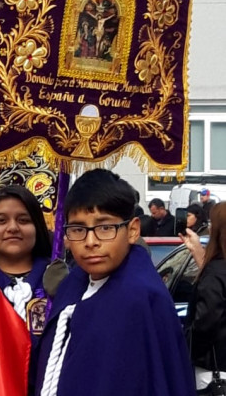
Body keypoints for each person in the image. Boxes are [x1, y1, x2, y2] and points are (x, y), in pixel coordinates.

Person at [31, 169, 196, 396]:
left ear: (133, 230)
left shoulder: (139, 298)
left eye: (105, 227)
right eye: (78, 229)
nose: (91, 242)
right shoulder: (72, 288)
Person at [0, 186, 52, 341]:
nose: (13, 228)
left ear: (38, 227)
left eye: (24, 220)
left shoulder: (61, 282)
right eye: (1, 221)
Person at [180, 202, 226, 393]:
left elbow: (205, 323)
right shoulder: (215, 271)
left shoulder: (216, 272)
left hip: (214, 372)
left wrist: (185, 346)